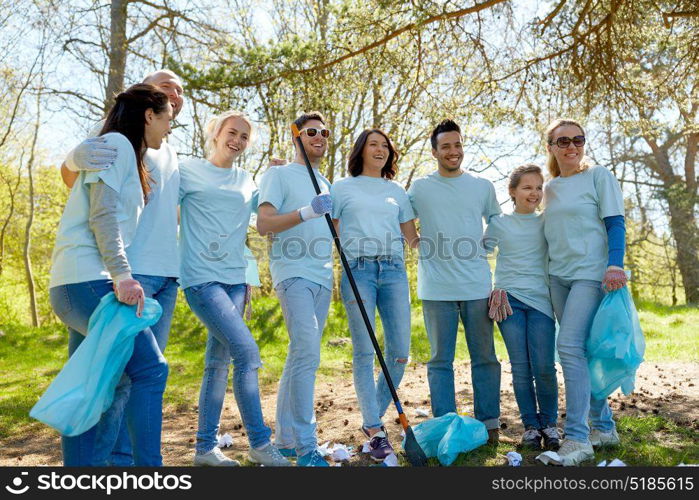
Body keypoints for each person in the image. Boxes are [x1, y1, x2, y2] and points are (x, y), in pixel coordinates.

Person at [59, 69, 184, 466]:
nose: (169, 127)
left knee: (90, 384)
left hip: (79, 281)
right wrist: (123, 275)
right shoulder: (114, 144)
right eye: (167, 118)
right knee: (150, 369)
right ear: (149, 114)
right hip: (89, 280)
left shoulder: (133, 153)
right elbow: (104, 217)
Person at [179, 110, 290, 467]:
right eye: (232, 132)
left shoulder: (247, 181)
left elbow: (270, 215)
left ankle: (203, 449)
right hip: (200, 278)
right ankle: (259, 443)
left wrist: (278, 175)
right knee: (247, 352)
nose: (238, 140)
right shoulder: (188, 170)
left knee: (217, 363)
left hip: (236, 280)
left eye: (244, 137)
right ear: (215, 132)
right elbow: (158, 204)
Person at [407, 119, 505, 444]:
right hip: (436, 289)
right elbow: (400, 214)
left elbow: (496, 218)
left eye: (458, 144)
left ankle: (489, 424)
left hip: (477, 286)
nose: (453, 151)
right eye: (446, 146)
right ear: (435, 152)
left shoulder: (482, 185)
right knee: (439, 361)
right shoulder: (421, 187)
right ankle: (446, 425)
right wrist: (414, 242)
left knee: (485, 358)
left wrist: (487, 244)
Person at [541, 118, 627, 466]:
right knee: (581, 352)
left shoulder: (598, 176)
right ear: (551, 147)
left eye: (578, 140)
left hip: (590, 275)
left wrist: (614, 264)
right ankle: (604, 428)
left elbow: (615, 222)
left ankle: (577, 438)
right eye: (563, 141)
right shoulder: (549, 188)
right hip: (557, 277)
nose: (571, 146)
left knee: (569, 347)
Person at [330, 129, 419, 461]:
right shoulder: (341, 187)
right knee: (365, 352)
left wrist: (446, 245)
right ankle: (374, 427)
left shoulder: (396, 190)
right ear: (361, 150)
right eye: (374, 144)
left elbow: (412, 238)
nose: (380, 149)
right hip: (358, 271)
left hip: (394, 271)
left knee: (399, 354)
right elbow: (328, 230)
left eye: (385, 145)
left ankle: (373, 426)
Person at [256, 111, 334, 467]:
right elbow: (264, 223)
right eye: (311, 131)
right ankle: (306, 448)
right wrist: (306, 211)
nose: (319, 137)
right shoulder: (278, 173)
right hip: (293, 273)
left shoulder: (324, 181)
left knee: (299, 356)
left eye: (324, 132)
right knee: (308, 354)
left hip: (322, 277)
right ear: (296, 137)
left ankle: (285, 440)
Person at [483, 164, 559, 450]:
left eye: (539, 187)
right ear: (512, 192)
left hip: (541, 302)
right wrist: (492, 290)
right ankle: (530, 426)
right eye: (527, 187)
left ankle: (550, 425)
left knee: (544, 366)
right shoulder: (499, 222)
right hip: (509, 302)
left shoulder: (547, 221)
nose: (535, 193)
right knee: (521, 367)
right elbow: (480, 255)